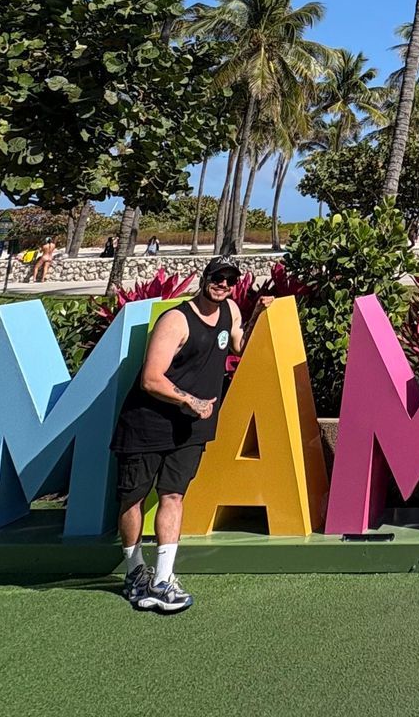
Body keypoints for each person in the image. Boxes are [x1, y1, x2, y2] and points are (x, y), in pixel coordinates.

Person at [110, 255, 242, 615]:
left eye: (230, 280)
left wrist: (259, 314)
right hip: (147, 424)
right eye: (218, 277)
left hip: (190, 429)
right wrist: (193, 401)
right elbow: (151, 379)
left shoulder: (231, 310)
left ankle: (163, 578)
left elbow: (238, 346)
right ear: (205, 278)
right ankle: (135, 571)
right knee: (133, 499)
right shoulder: (176, 320)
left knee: (173, 495)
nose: (223, 284)